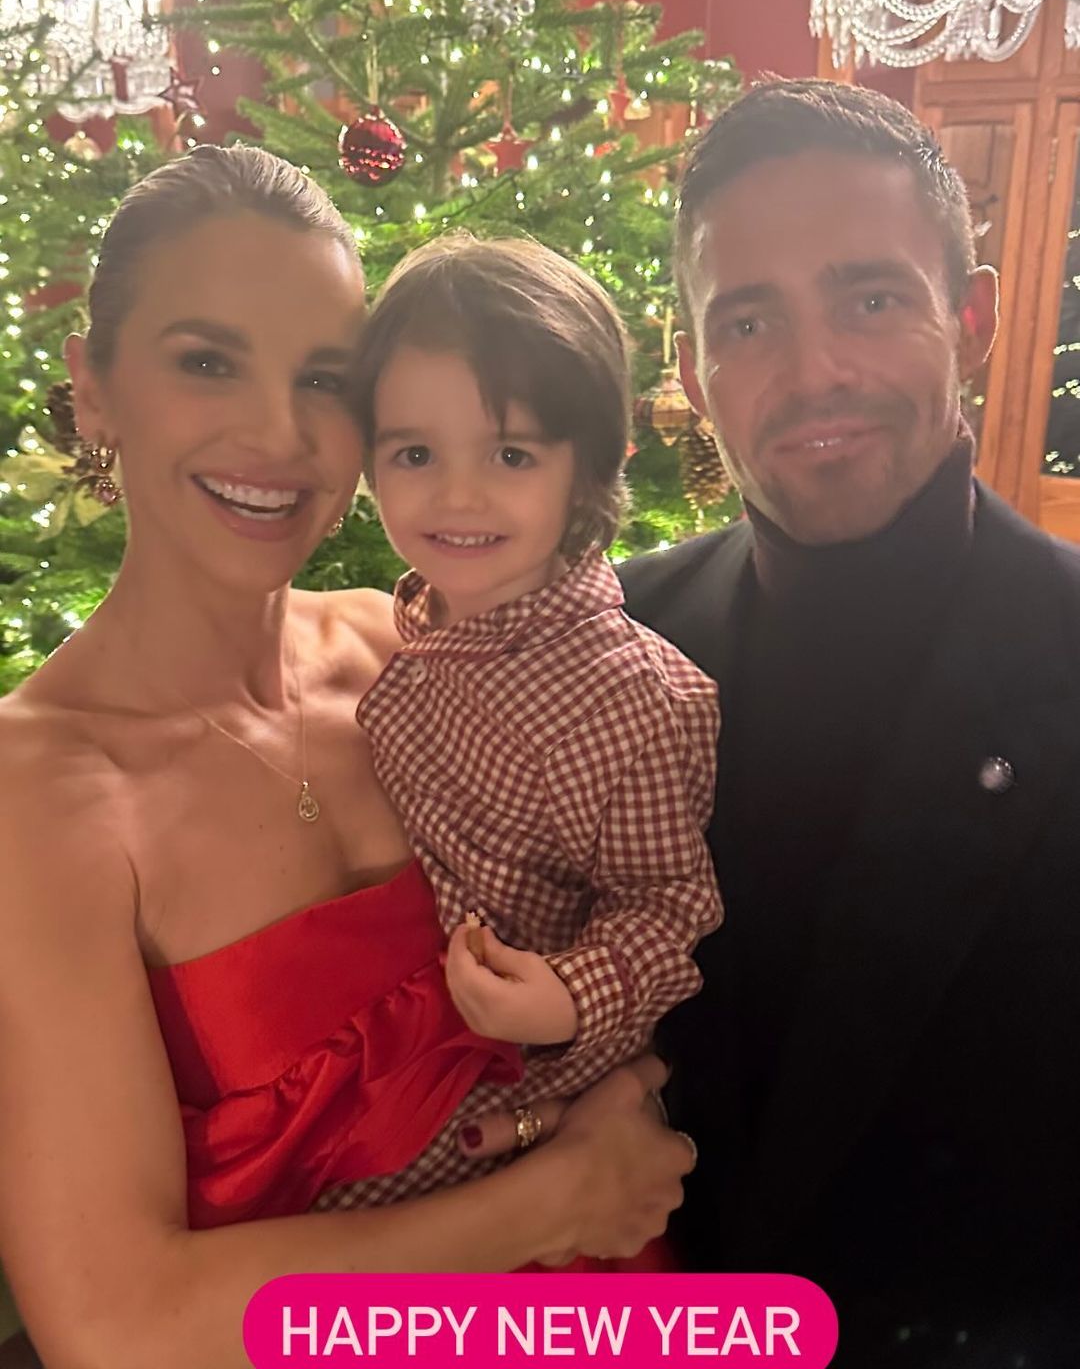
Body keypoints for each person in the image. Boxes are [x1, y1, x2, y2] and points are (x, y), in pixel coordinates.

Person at [0, 145, 691, 1369]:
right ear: (94, 390)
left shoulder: (411, 645)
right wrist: (553, 1201)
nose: (278, 434)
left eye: (325, 378)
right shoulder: (38, 797)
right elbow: (114, 1326)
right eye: (206, 361)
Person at [616, 77, 1080, 1366]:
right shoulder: (607, 640)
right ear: (695, 369)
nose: (814, 371)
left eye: (871, 300)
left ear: (971, 317)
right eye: (749, 321)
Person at [319, 234, 720, 1211]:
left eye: (510, 452)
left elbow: (672, 908)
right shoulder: (406, 623)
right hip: (389, 1033)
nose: (457, 495)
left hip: (516, 1086)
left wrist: (568, 996)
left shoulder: (635, 698)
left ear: (588, 464)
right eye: (414, 453)